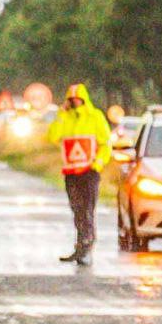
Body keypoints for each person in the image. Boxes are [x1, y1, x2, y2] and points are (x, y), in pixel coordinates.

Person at [47, 83, 111, 266]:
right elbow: (52, 137)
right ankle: (79, 247)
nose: (74, 102)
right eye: (71, 99)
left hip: (89, 173)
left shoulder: (95, 117)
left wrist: (97, 164)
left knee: (87, 211)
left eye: (77, 99)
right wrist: (60, 115)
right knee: (77, 211)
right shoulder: (65, 118)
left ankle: (87, 248)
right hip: (71, 174)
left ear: (84, 99)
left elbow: (106, 144)